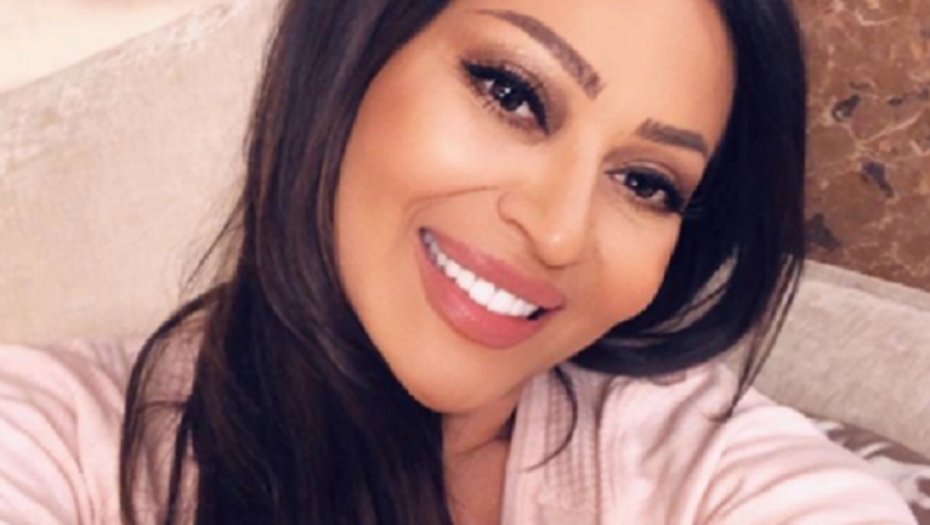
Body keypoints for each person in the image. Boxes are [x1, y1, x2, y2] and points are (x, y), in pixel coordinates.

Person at [0, 0, 918, 523]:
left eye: (645, 182)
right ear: (350, 55)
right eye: (511, 92)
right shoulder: (57, 441)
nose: (558, 232)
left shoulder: (695, 459)